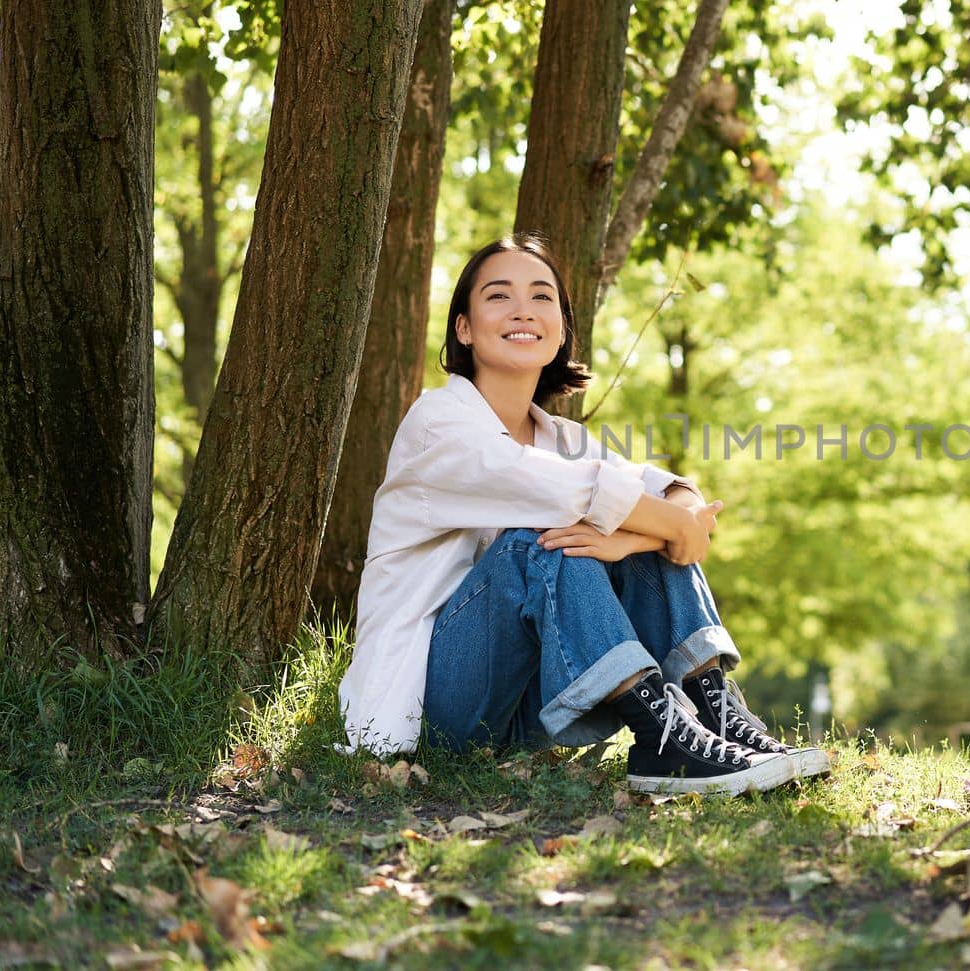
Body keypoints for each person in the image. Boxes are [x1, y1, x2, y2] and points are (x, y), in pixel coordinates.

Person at [337, 233, 829, 795]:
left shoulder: (562, 437)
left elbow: (668, 490)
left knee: (621, 530)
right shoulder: (439, 423)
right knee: (539, 541)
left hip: (523, 706)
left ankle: (713, 713)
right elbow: (563, 493)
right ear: (464, 328)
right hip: (433, 704)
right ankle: (659, 738)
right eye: (499, 296)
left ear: (563, 327)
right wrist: (663, 527)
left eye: (542, 297)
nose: (523, 309)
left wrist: (656, 528)